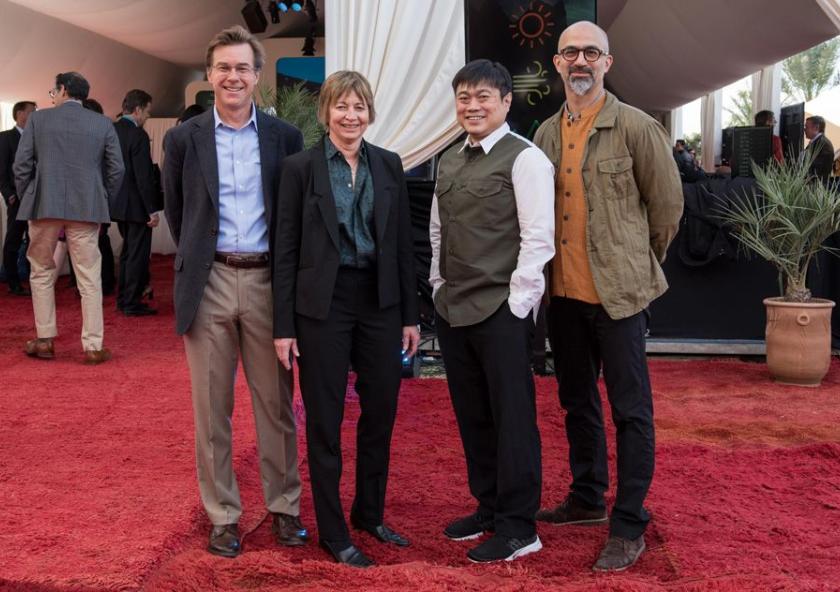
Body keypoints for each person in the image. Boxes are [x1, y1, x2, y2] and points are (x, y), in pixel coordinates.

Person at [532, 21, 683, 572]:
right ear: (556, 63)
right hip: (564, 296)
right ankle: (587, 499)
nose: (581, 61)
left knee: (631, 410)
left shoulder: (637, 128)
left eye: (591, 52)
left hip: (619, 299)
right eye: (570, 51)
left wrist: (634, 266)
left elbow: (667, 210)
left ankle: (628, 523)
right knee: (576, 402)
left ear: (607, 63)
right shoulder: (546, 133)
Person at [163, 25, 307, 559]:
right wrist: (204, 261)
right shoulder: (182, 139)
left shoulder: (285, 138)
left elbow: (291, 216)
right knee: (211, 410)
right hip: (210, 283)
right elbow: (179, 214)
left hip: (271, 282)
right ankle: (223, 516)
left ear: (257, 75)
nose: (232, 76)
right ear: (209, 74)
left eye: (242, 67)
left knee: (276, 406)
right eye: (223, 67)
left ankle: (285, 508)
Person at [274, 70, 419, 568]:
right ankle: (333, 532)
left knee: (380, 412)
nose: (350, 116)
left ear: (370, 112)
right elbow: (286, 250)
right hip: (322, 306)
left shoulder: (389, 164)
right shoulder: (299, 168)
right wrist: (283, 325)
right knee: (326, 420)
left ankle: (369, 513)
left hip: (380, 303)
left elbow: (401, 245)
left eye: (359, 107)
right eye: (341, 106)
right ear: (326, 112)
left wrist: (410, 315)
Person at [430, 59, 555, 563]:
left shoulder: (525, 158)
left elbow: (538, 238)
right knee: (473, 416)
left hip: (501, 310)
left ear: (505, 102)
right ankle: (488, 507)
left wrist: (517, 305)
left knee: (512, 419)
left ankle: (519, 526)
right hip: (454, 307)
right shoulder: (449, 159)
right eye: (464, 96)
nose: (472, 105)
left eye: (484, 96)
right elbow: (438, 231)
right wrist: (438, 285)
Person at [14, 72, 124, 364]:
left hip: (44, 206)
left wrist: (31, 195)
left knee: (41, 270)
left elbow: (21, 165)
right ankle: (93, 345)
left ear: (62, 90)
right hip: (86, 207)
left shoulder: (38, 120)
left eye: (54, 90)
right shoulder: (102, 123)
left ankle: (46, 339)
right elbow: (117, 169)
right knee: (89, 276)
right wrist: (100, 197)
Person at [112, 89, 159, 316]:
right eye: (147, 111)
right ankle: (131, 302)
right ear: (138, 109)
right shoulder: (138, 135)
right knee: (137, 256)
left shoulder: (112, 130)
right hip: (137, 205)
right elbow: (144, 176)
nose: (147, 116)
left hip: (117, 204)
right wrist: (152, 209)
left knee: (127, 254)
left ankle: (123, 299)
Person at [0, 100, 36, 296]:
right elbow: (1, 171)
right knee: (13, 241)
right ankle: (13, 283)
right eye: (32, 112)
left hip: (36, 198)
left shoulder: (37, 137)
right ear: (20, 114)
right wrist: (9, 195)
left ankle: (35, 281)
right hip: (17, 199)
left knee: (35, 241)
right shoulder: (5, 137)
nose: (35, 115)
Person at [804, 115, 835, 183]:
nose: (804, 129)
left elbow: (817, 169)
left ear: (816, 128)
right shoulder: (817, 142)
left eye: (806, 127)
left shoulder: (824, 144)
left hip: (817, 186)